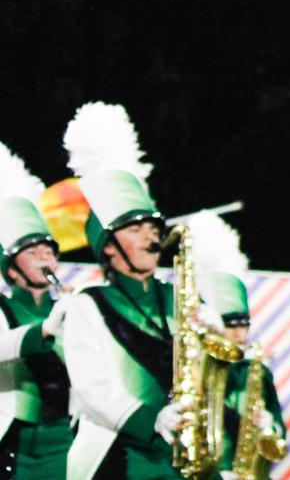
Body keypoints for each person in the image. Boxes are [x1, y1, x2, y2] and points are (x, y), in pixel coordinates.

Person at [57, 103, 182, 480]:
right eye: (135, 229)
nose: (151, 236)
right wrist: (153, 418)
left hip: (182, 456)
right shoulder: (88, 305)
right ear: (108, 246)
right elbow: (93, 389)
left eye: (153, 228)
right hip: (119, 456)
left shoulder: (177, 298)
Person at [185, 210, 287, 480]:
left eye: (244, 325)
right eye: (231, 325)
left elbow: (279, 426)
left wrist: (270, 427)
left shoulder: (257, 370)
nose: (239, 334)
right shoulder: (192, 368)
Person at [2, 143, 71, 480]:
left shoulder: (69, 305)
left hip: (69, 438)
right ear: (12, 269)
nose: (46, 257)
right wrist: (44, 329)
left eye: (49, 250)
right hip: (18, 443)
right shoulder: (3, 306)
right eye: (34, 252)